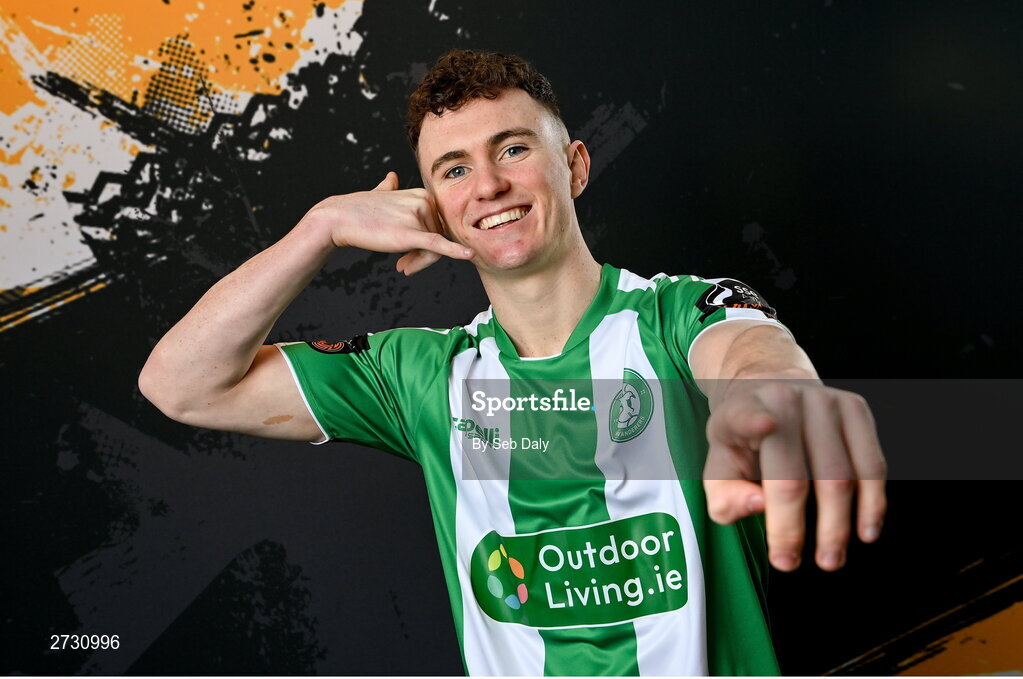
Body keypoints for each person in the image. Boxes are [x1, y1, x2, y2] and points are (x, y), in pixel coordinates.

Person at [139, 49, 886, 675]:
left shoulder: (675, 315)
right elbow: (181, 384)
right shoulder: (420, 376)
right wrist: (320, 228)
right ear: (433, 206)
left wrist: (777, 396)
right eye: (453, 170)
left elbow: (751, 352)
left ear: (575, 166)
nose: (489, 185)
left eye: (513, 149)